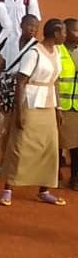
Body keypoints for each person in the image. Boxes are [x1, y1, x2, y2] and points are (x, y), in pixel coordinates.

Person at [0, 19, 66, 207]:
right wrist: (19, 111)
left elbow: (56, 82)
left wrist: (58, 107)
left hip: (48, 105)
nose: (65, 36)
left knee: (49, 148)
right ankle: (8, 189)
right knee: (20, 146)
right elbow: (21, 81)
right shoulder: (34, 53)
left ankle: (44, 190)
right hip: (31, 103)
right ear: (54, 33)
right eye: (62, 32)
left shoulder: (58, 52)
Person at [59, 19, 78, 191]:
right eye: (74, 31)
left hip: (76, 106)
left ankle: (75, 178)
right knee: (56, 144)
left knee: (76, 146)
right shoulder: (57, 51)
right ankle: (54, 175)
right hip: (59, 105)